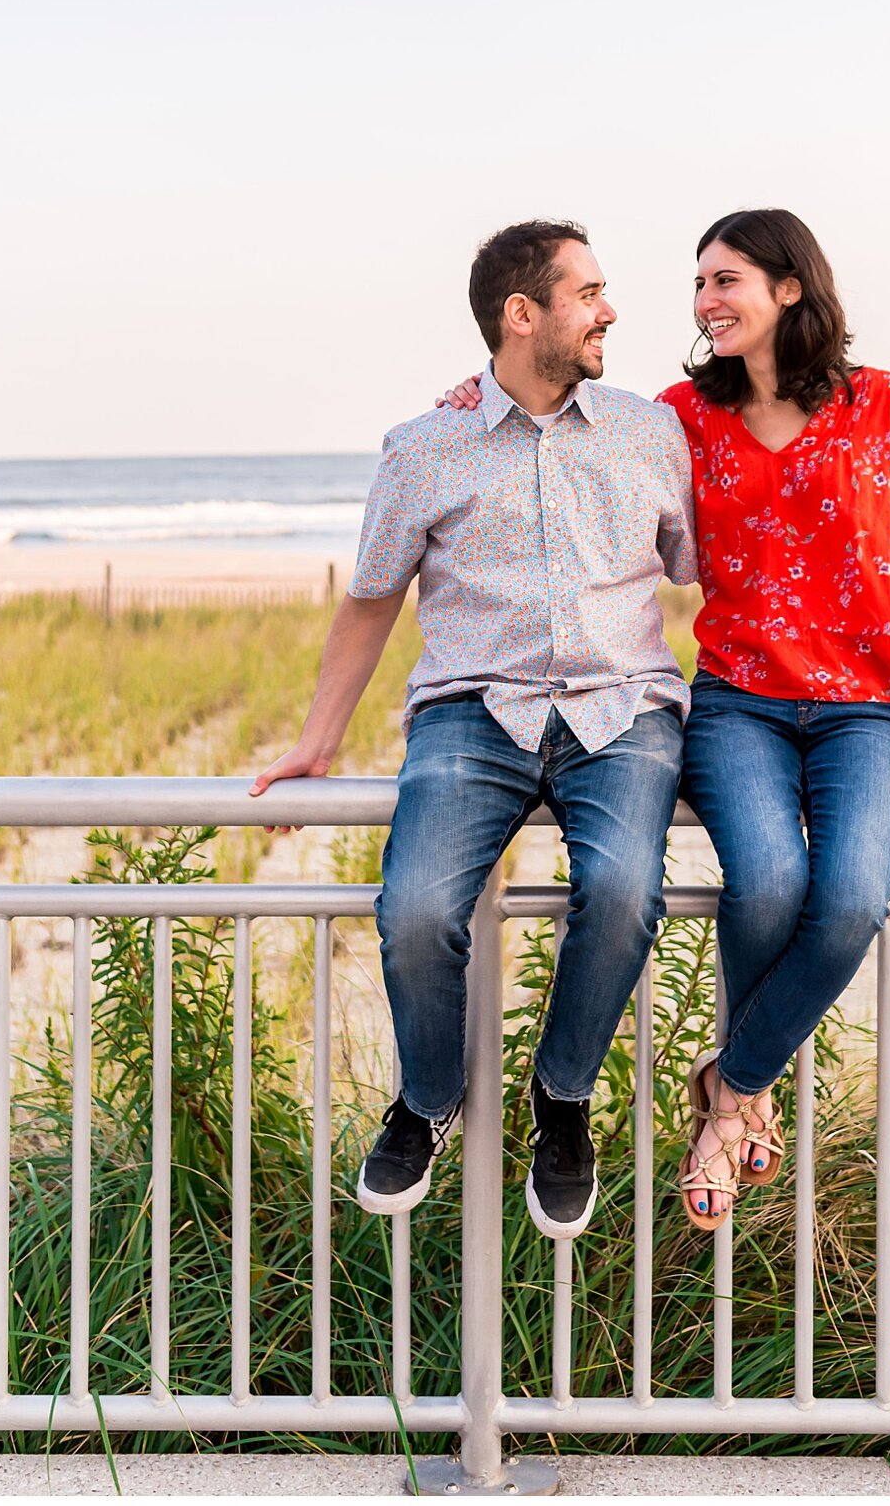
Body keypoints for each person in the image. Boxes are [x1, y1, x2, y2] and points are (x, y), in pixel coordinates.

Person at [437, 207, 890, 1232]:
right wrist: (473, 403)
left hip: (870, 709)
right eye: (700, 283)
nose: (705, 300)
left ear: (790, 286)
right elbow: (556, 432)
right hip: (739, 698)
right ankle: (744, 1107)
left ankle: (731, 1089)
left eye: (727, 278)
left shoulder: (884, 404)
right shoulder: (678, 417)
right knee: (770, 880)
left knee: (846, 903)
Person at [249, 219, 698, 1239]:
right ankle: (430, 1096)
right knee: (412, 908)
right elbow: (370, 600)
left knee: (626, 890)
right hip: (472, 711)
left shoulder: (648, 428)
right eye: (588, 291)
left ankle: (563, 1097)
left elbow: (706, 563)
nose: (610, 309)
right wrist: (319, 738)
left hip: (623, 708)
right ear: (521, 312)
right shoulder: (423, 445)